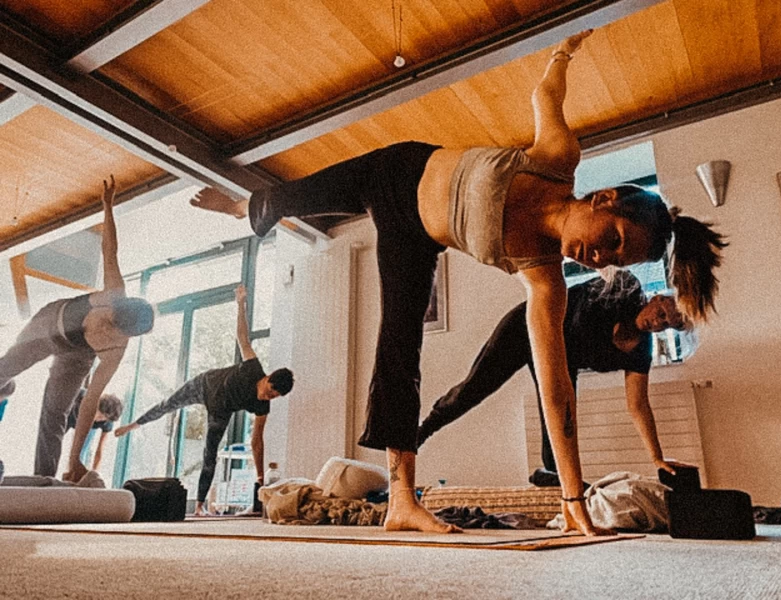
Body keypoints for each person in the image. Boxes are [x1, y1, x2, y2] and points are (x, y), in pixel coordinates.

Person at [189, 30, 726, 535]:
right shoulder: (556, 161)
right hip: (398, 170)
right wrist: (563, 52)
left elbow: (557, 391)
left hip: (415, 239)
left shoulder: (545, 279)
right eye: (610, 239)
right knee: (293, 195)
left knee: (399, 341)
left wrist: (572, 497)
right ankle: (244, 206)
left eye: (613, 263)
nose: (599, 258)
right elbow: (546, 94)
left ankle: (401, 498)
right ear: (603, 199)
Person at [417, 271, 695, 485]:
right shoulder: (625, 290)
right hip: (526, 329)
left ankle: (547, 476)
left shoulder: (640, 351)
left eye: (665, 324)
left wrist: (657, 457)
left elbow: (638, 405)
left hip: (560, 363)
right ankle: (420, 433)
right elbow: (597, 260)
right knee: (473, 390)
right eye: (660, 313)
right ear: (656, 298)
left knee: (562, 430)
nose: (657, 322)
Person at [0, 176, 154, 482]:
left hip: (77, 357)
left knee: (56, 412)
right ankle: (6, 386)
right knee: (4, 370)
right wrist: (107, 207)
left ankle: (42, 480)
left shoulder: (114, 352)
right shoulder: (115, 292)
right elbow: (110, 250)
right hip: (48, 325)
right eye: (109, 316)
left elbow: (88, 404)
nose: (107, 322)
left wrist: (74, 463)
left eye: (113, 327)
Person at [115, 285, 294, 516]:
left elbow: (257, 441)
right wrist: (241, 304)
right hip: (204, 385)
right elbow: (242, 337)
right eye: (269, 391)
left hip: (221, 410)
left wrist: (260, 477)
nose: (266, 397)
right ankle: (135, 424)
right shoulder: (253, 368)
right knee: (169, 403)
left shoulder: (262, 406)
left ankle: (199, 505)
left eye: (273, 397)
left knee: (210, 453)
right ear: (267, 378)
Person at [66, 386, 123, 472]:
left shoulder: (106, 422)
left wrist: (94, 472)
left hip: (88, 427)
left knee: (79, 455)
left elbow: (99, 450)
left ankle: (72, 474)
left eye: (103, 419)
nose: (99, 419)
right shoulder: (81, 396)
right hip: (70, 416)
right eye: (100, 415)